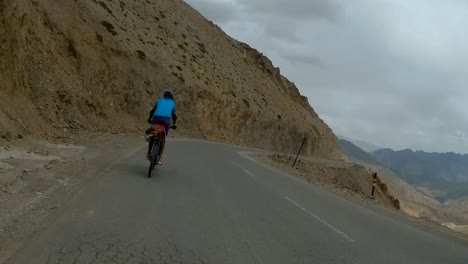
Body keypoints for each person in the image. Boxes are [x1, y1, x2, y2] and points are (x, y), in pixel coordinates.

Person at [146, 90, 177, 165]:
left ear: (164, 96)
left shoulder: (159, 100)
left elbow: (152, 111)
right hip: (166, 120)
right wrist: (175, 124)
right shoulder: (172, 103)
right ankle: (160, 158)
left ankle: (149, 153)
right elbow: (174, 116)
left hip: (156, 118)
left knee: (152, 135)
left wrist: (149, 118)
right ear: (171, 97)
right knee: (163, 138)